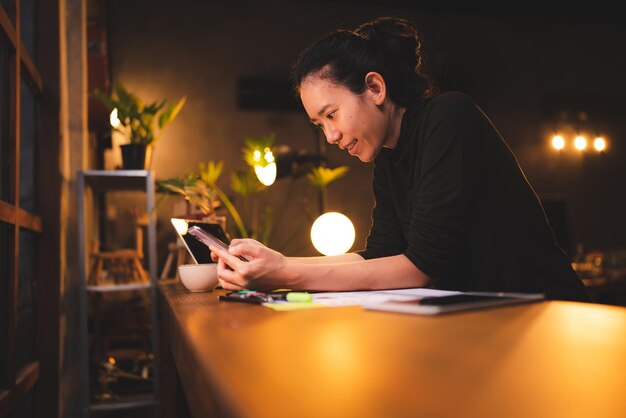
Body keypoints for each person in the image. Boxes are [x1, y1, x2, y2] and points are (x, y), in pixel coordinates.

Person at [210, 17, 591, 302]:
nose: (331, 136)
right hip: (492, 322)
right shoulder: (388, 156)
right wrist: (277, 262)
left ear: (374, 88)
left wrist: (286, 274)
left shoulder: (448, 116)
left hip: (550, 313)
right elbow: (379, 256)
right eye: (318, 124)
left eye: (331, 115)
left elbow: (421, 269)